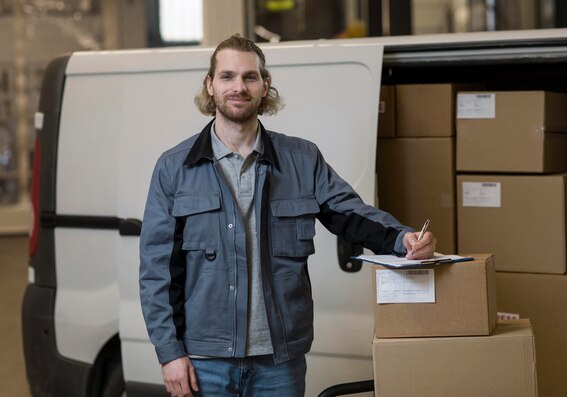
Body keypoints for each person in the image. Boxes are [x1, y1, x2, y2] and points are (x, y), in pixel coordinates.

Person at [139, 33, 436, 397]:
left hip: (279, 363)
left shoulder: (302, 159)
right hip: (204, 361)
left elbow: (351, 213)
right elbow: (156, 272)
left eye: (250, 77)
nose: (239, 86)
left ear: (265, 86)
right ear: (210, 85)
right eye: (227, 76)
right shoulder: (175, 168)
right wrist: (170, 354)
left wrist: (401, 238)